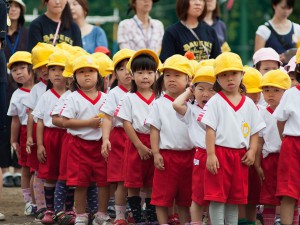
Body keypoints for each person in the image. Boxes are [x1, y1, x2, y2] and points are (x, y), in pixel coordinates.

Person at [197, 52, 265, 225]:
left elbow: (255, 130)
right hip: (220, 154)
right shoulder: (215, 101)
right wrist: (211, 154)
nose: (229, 79)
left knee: (235, 197)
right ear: (217, 79)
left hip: (240, 156)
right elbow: (210, 129)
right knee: (217, 196)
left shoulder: (249, 104)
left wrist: (252, 150)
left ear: (242, 74)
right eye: (224, 75)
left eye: (233, 73)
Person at [61, 54, 111, 225]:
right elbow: (66, 122)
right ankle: (81, 214)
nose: (87, 75)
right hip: (79, 146)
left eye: (91, 71)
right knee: (80, 182)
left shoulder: (105, 97)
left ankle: (101, 214)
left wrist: (106, 139)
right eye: (81, 72)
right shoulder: (72, 97)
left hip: (100, 146)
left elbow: (110, 121)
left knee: (103, 182)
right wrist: (88, 123)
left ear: (98, 75)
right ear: (74, 77)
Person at [146, 54, 194, 224]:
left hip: (190, 155)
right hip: (167, 156)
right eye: (167, 75)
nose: (171, 79)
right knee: (162, 195)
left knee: (185, 197)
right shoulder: (158, 103)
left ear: (188, 79)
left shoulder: (193, 103)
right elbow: (154, 129)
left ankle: (184, 221)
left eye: (177, 75)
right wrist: (156, 153)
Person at [114, 49, 158, 224]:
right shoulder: (129, 98)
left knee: (151, 183)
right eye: (140, 72)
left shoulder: (160, 97)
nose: (145, 77)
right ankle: (137, 217)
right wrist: (139, 145)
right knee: (133, 183)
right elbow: (126, 123)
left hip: (156, 143)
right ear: (132, 75)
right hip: (135, 143)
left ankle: (152, 216)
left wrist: (155, 147)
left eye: (149, 72)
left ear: (156, 75)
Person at [172, 62, 216, 225]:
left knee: (215, 196)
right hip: (201, 155)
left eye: (211, 89)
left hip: (219, 154)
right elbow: (176, 104)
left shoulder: (221, 108)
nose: (205, 94)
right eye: (200, 89)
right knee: (197, 196)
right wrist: (188, 91)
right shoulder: (191, 111)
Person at [32, 49, 69, 224]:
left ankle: (67, 209)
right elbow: (39, 121)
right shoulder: (46, 96)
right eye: (53, 69)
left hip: (68, 138)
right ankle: (49, 209)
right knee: (49, 175)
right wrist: (40, 145)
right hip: (50, 138)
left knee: (67, 175)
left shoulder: (72, 96)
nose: (57, 74)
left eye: (61, 69)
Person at [101, 48, 135, 225]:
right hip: (120, 138)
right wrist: (105, 139)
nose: (127, 72)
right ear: (114, 73)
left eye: (130, 67)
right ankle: (120, 215)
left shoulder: (146, 90)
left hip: (140, 139)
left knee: (139, 180)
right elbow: (107, 117)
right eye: (121, 68)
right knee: (121, 180)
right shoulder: (114, 93)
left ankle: (137, 212)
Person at [255, 70, 291, 225]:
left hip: (288, 158)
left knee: (290, 196)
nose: (271, 94)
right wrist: (257, 164)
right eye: (266, 90)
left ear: (286, 92)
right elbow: (259, 141)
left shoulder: (290, 112)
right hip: (269, 160)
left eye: (277, 90)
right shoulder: (261, 114)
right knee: (269, 198)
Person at [1, 0, 29, 188]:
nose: (12, 9)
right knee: (4, 124)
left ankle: (18, 168)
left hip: (21, 81)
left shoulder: (26, 33)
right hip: (5, 79)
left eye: (16, 6)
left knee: (22, 122)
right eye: (10, 6)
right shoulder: (4, 33)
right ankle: (5, 169)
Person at [6, 51, 36, 216]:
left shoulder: (43, 89)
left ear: (32, 68)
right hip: (25, 133)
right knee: (26, 168)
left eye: (22, 67)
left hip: (42, 131)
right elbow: (15, 120)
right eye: (14, 70)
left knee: (40, 170)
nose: (18, 72)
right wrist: (13, 140)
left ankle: (43, 201)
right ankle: (28, 201)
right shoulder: (16, 95)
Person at [273, 48, 300, 225]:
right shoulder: (291, 93)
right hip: (293, 144)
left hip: (291, 143)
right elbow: (280, 120)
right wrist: (285, 140)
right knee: (288, 191)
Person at [239, 66, 263, 225]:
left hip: (257, 157)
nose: (255, 95)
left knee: (253, 196)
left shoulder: (261, 110)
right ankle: (240, 222)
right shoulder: (237, 109)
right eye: (250, 91)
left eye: (258, 91)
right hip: (240, 157)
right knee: (240, 195)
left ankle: (252, 222)